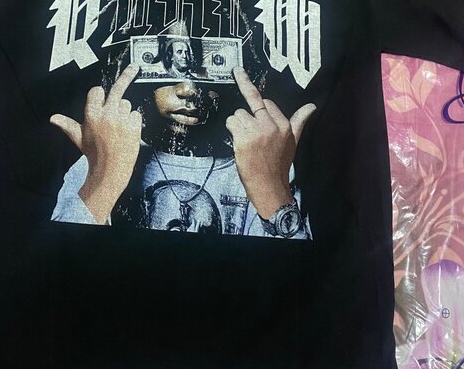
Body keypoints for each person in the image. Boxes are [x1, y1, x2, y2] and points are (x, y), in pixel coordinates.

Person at [50, 48, 316, 239]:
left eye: (211, 63)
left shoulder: (261, 162)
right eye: (169, 64)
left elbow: (292, 286)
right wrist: (103, 182)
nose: (189, 90)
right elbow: (56, 276)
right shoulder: (104, 157)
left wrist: (272, 195)